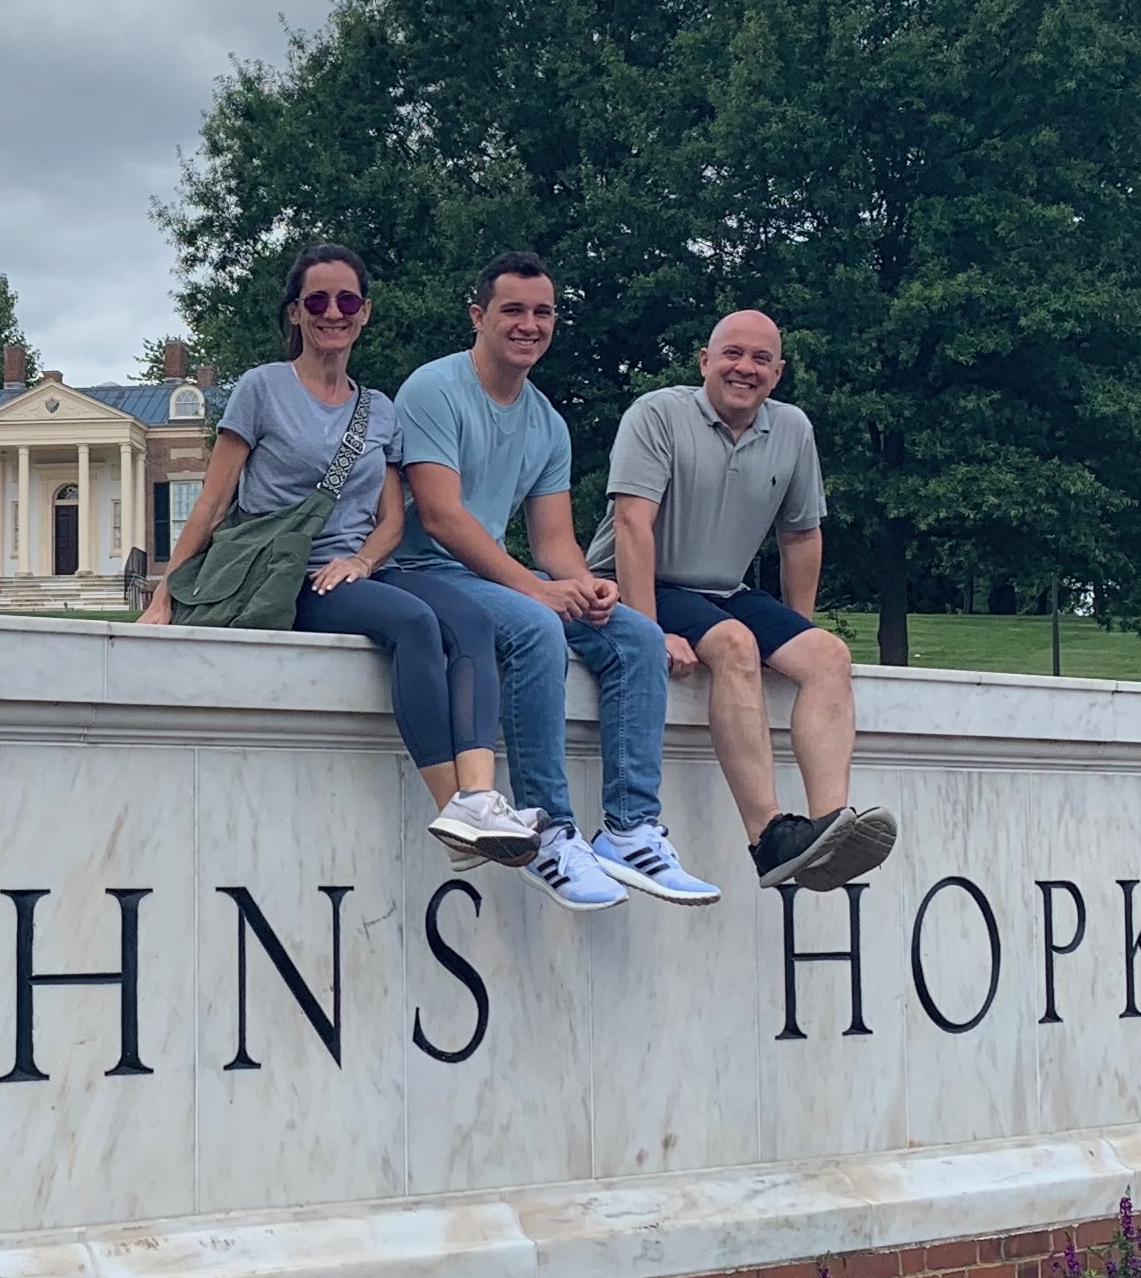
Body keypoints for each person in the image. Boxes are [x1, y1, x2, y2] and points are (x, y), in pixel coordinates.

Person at [144, 245, 540, 865]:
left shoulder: (378, 410)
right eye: (317, 301)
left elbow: (392, 519)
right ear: (297, 313)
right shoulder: (262, 388)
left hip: (354, 572)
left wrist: (362, 560)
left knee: (472, 621)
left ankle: (481, 799)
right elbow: (212, 503)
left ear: (365, 313)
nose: (333, 312)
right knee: (413, 624)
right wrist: (165, 595)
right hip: (283, 573)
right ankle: (452, 809)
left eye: (347, 300)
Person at [384, 252, 727, 915]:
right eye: (513, 309)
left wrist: (587, 586)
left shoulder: (547, 421)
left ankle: (629, 830)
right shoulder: (434, 388)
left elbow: (554, 544)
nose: (529, 324)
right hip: (419, 572)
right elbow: (442, 516)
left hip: (492, 575)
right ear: (478, 315)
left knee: (633, 634)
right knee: (536, 624)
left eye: (542, 312)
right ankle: (549, 834)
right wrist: (536, 591)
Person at [606, 308, 899, 891]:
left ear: (779, 371)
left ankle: (826, 831)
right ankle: (769, 838)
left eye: (761, 359)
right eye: (732, 354)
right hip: (649, 581)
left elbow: (801, 535)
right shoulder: (658, 414)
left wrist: (796, 631)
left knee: (827, 657)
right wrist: (646, 629)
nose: (745, 368)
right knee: (735, 646)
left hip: (727, 589)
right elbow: (632, 527)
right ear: (705, 361)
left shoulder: (792, 429)